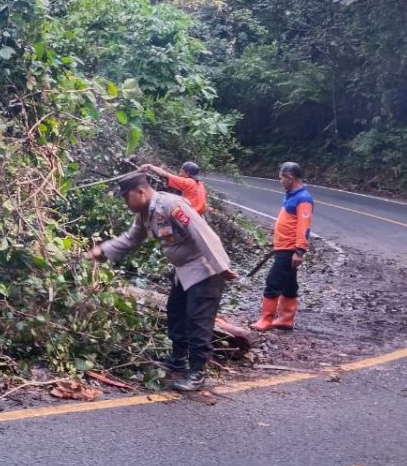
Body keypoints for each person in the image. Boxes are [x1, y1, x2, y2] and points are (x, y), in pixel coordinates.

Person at [85, 173, 234, 392]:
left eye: (127, 198)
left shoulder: (171, 206)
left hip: (204, 270)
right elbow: (131, 238)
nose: (126, 204)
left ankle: (197, 372)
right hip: (183, 272)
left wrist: (221, 267)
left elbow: (202, 233)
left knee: (197, 320)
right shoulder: (145, 213)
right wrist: (103, 250)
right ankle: (178, 359)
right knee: (176, 312)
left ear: (141, 192)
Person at [250, 161, 314, 332]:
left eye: (281, 178)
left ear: (289, 178)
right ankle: (286, 319)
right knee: (289, 284)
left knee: (273, 282)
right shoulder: (291, 195)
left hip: (289, 249)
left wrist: (299, 251)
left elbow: (304, 226)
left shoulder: (303, 199)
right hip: (283, 247)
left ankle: (266, 319)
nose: (280, 181)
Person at [139, 160, 207, 215]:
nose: (179, 174)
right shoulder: (201, 185)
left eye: (181, 172)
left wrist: (150, 166)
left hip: (189, 215)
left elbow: (165, 175)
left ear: (187, 174)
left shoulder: (188, 182)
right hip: (198, 215)